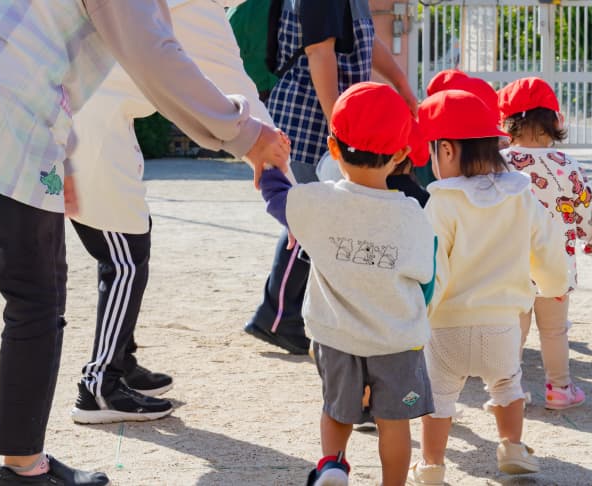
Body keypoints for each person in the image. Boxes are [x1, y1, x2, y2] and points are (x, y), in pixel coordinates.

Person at [0, 1, 289, 484]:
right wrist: (243, 132)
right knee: (35, 297)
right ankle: (26, 467)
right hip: (0, 104)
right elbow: (155, 56)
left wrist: (62, 154)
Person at [69, 0, 278, 424]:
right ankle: (99, 385)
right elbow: (229, 85)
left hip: (97, 124)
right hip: (85, 128)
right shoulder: (199, 7)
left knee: (131, 243)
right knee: (124, 258)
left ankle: (121, 361)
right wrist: (283, 177)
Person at [260, 82, 436, 486]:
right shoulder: (411, 213)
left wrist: (270, 164)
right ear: (401, 154)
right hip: (395, 339)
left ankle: (332, 465)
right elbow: (424, 274)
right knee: (394, 423)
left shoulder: (319, 201)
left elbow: (276, 199)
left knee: (337, 410)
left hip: (335, 335)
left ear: (333, 148)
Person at [410, 90, 570, 484]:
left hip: (447, 327)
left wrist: (417, 316)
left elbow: (433, 269)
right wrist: (555, 284)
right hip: (503, 324)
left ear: (446, 151)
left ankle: (431, 465)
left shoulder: (441, 204)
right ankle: (512, 447)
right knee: (506, 385)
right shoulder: (520, 196)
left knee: (440, 398)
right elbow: (547, 246)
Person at [244, 0, 419, 355]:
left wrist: (401, 82)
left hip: (333, 116)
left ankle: (283, 315)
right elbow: (319, 54)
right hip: (311, 115)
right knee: (308, 218)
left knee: (320, 217)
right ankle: (277, 317)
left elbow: (366, 41)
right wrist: (340, 126)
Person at [497, 77, 592, 410]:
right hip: (556, 266)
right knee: (554, 330)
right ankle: (559, 389)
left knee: (512, 330)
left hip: (510, 266)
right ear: (554, 122)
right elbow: (588, 208)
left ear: (508, 123)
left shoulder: (500, 166)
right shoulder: (567, 166)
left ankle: (509, 390)